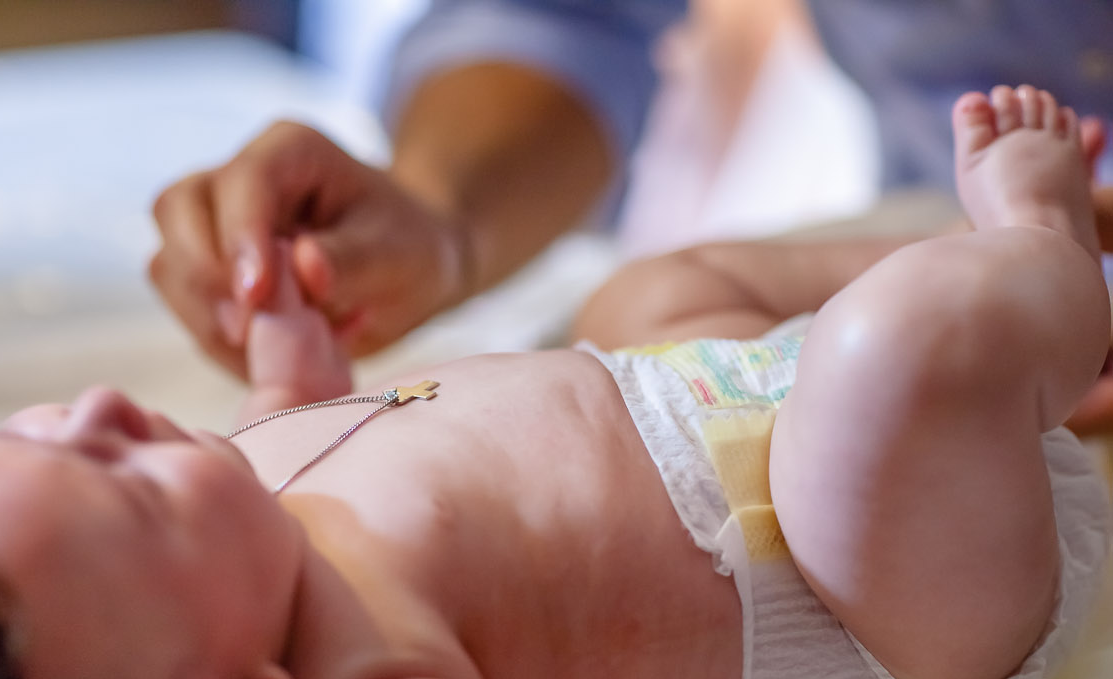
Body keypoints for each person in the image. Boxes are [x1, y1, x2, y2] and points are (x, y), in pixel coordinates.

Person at [0, 87, 1108, 679]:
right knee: (894, 356)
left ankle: (1008, 338)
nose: (107, 413)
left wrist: (294, 349)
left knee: (643, 293)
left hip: (723, 397)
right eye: (125, 490)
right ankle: (1042, 255)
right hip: (874, 592)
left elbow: (301, 431)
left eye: (40, 432)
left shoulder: (246, 502)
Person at [148, 0, 1113, 409]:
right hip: (972, 260)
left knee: (659, 307)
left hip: (977, 278)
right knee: (660, 306)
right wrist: (437, 212)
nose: (96, 414)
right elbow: (564, 14)